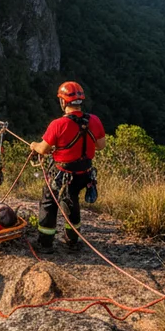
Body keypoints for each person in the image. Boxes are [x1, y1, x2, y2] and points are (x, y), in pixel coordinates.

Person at [29, 81, 107, 252]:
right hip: (84, 174)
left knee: (49, 204)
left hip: (62, 173)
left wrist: (34, 145)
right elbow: (100, 145)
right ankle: (72, 241)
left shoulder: (58, 124)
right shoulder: (94, 120)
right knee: (72, 202)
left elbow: (43, 149)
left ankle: (45, 243)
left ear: (63, 102)